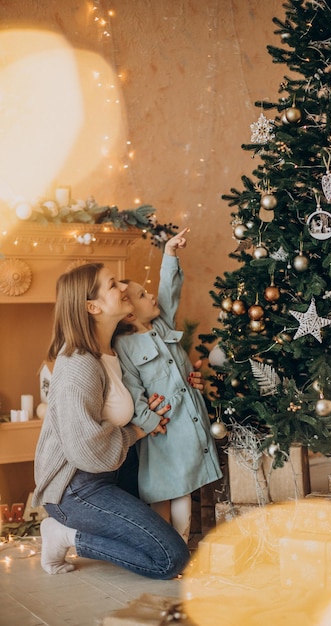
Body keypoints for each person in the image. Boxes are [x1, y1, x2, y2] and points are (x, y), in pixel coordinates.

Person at [32, 261, 190, 578]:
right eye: (112, 284)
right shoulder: (79, 365)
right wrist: (136, 431)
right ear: (93, 306)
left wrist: (186, 381)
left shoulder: (114, 348)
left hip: (112, 473)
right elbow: (85, 450)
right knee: (169, 559)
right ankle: (64, 534)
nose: (122, 288)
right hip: (75, 489)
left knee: (158, 543)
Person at [113, 227, 222, 544]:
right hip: (161, 433)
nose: (152, 297)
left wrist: (170, 254)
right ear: (130, 312)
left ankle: (180, 545)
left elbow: (169, 290)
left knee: (183, 488)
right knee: (159, 491)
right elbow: (132, 389)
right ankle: (164, 547)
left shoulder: (162, 325)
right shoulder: (125, 346)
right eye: (143, 296)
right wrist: (149, 422)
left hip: (185, 428)